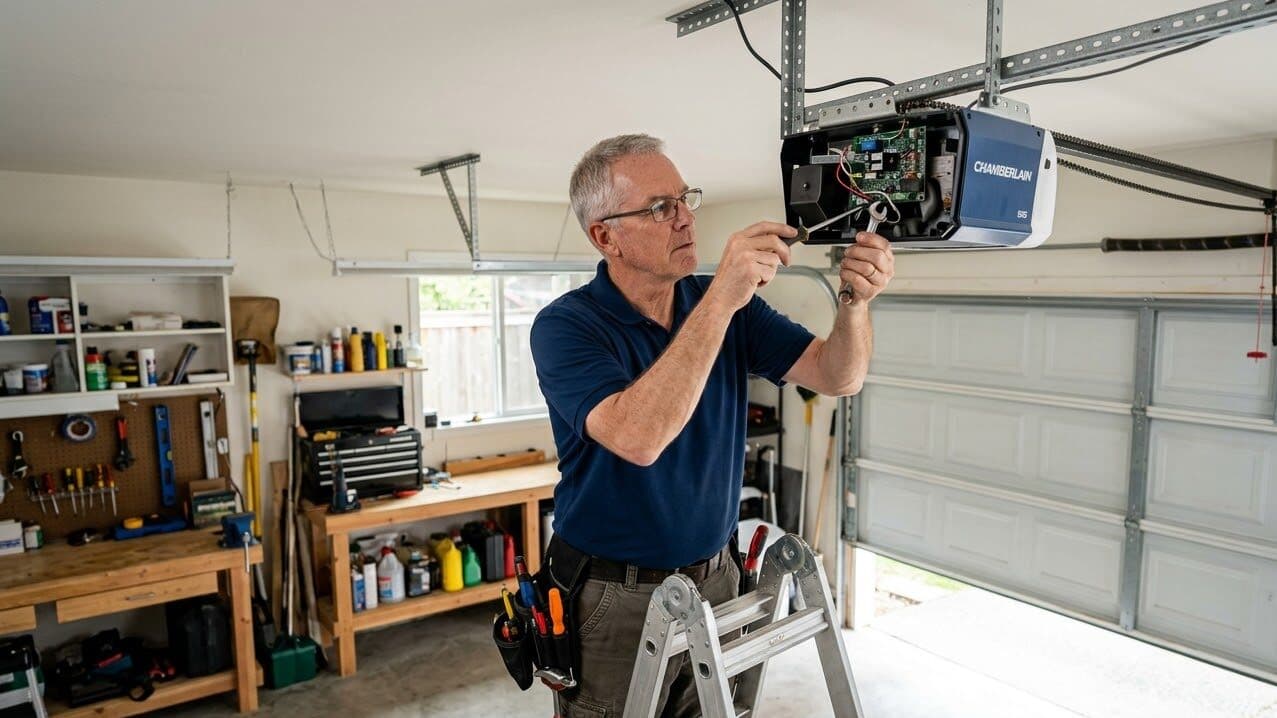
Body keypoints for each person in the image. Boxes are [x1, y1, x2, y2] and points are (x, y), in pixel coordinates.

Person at [529, 133, 894, 717]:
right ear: (606, 237)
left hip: (718, 578)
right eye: (658, 207)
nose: (683, 219)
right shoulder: (566, 327)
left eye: (684, 199)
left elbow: (837, 374)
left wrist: (855, 303)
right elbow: (637, 438)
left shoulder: (729, 306)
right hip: (613, 597)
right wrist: (721, 299)